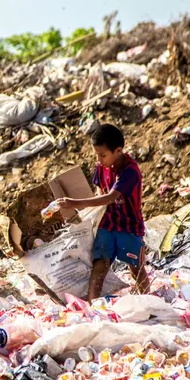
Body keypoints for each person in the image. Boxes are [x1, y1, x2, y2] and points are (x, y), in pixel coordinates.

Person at [49, 123, 148, 300]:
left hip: (128, 226)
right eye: (97, 155)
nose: (100, 159)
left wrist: (74, 203)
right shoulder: (101, 167)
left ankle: (149, 301)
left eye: (103, 155)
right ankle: (94, 305)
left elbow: (109, 197)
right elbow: (99, 192)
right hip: (107, 223)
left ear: (118, 151)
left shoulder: (130, 171)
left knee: (136, 268)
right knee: (100, 264)